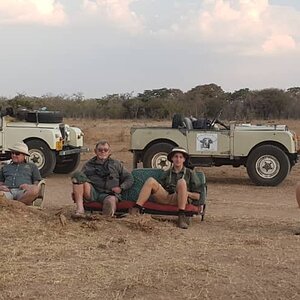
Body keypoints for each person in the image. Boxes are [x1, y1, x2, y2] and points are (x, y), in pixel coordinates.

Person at [130, 147, 201, 229]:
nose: (178, 159)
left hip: (180, 200)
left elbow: (197, 196)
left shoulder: (190, 173)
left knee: (181, 182)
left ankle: (181, 216)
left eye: (180, 157)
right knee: (151, 180)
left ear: (184, 160)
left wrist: (185, 193)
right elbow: (160, 189)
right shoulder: (167, 173)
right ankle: (136, 209)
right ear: (172, 159)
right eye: (176, 157)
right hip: (166, 197)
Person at [71, 140, 133, 218]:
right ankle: (80, 210)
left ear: (109, 151)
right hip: (93, 192)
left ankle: (104, 220)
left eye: (105, 150)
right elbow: (80, 180)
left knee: (110, 202)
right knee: (77, 176)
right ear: (95, 151)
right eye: (100, 150)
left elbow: (129, 178)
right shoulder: (88, 165)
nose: (103, 152)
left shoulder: (116, 164)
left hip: (110, 194)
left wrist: (121, 188)